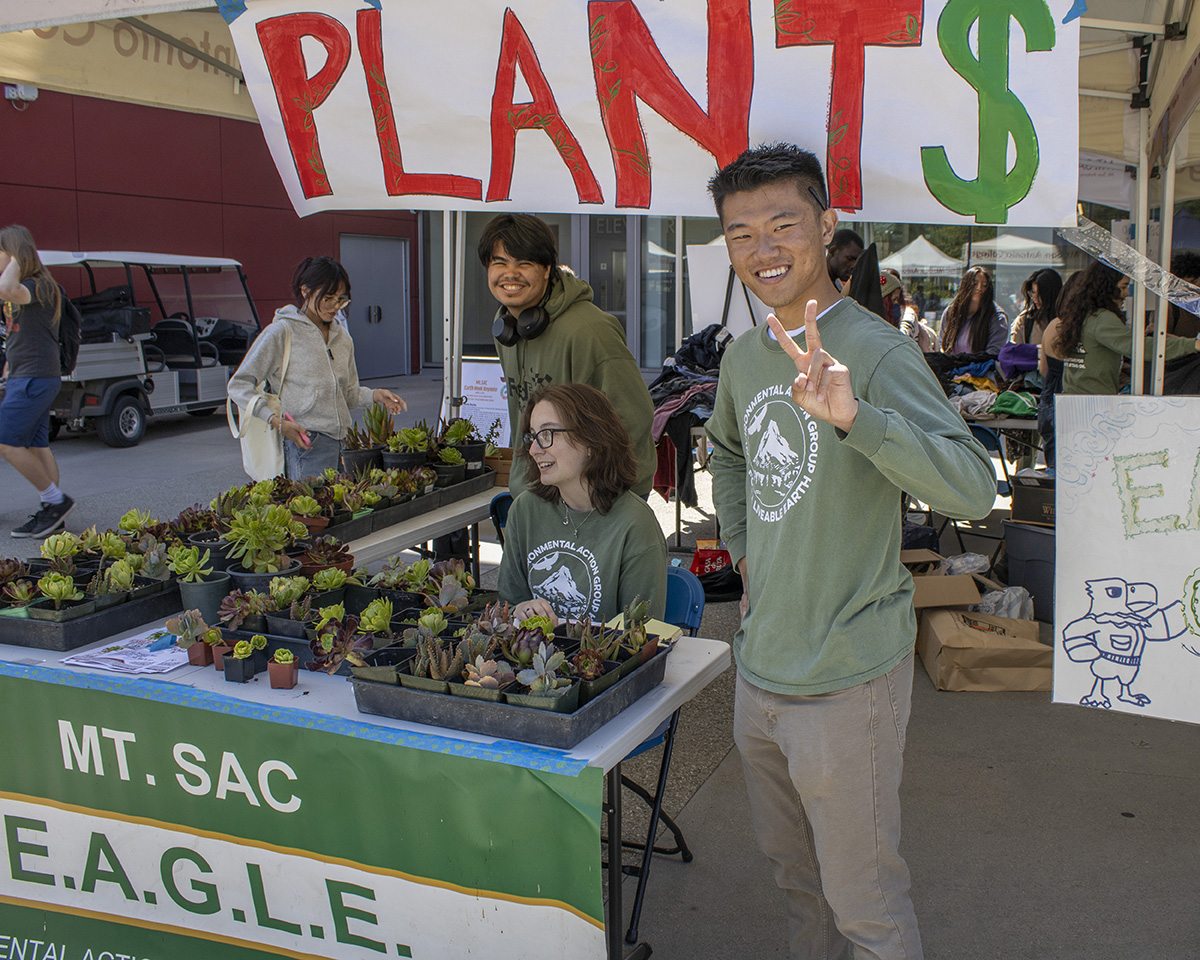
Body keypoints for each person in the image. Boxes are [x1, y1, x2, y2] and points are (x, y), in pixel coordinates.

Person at [705, 143, 995, 960]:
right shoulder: (744, 352)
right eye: (740, 234)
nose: (762, 250)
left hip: (845, 679)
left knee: (863, 901)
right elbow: (727, 451)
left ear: (827, 227)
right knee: (793, 880)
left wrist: (858, 419)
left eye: (782, 224)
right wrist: (743, 545)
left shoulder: (874, 350)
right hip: (761, 665)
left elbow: (973, 488)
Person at [481, 213, 655, 499]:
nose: (510, 274)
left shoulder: (590, 330)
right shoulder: (508, 331)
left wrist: (593, 496)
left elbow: (633, 419)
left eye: (524, 264)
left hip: (590, 500)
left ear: (548, 269)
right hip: (535, 496)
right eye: (499, 263)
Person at [497, 382, 666, 625]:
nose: (534, 449)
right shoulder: (525, 510)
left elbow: (641, 633)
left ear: (591, 440)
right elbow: (508, 604)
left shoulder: (635, 524)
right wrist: (521, 609)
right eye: (532, 437)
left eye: (547, 435)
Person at [227, 257, 406, 479]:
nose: (335, 306)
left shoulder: (343, 338)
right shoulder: (281, 333)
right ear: (305, 291)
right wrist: (276, 421)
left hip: (344, 446)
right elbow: (238, 385)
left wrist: (376, 395)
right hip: (305, 444)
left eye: (341, 300)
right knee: (311, 511)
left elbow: (347, 395)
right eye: (328, 298)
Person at [0, 225, 75, 539]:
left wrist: (18, 256)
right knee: (36, 444)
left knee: (5, 441)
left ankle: (55, 500)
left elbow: (5, 288)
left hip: (35, 378)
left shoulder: (40, 285)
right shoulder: (29, 285)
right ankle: (53, 513)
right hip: (26, 376)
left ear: (15, 253)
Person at [1057, 261, 1200, 396]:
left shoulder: (1083, 315)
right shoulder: (1102, 319)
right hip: (1095, 403)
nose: (1127, 293)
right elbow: (1137, 347)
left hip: (1074, 399)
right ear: (1108, 287)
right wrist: (1191, 344)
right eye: (1123, 287)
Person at [1036, 271, 1081, 470]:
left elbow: (1043, 369)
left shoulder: (1052, 326)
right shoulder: (1080, 330)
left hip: (1048, 400)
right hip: (1070, 403)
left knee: (1053, 469)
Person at [938, 266, 1009, 354]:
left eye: (984, 285)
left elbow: (994, 351)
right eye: (974, 283)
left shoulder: (997, 316)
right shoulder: (951, 312)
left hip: (980, 366)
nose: (979, 288)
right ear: (965, 285)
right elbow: (942, 344)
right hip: (952, 366)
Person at [883, 267, 937, 352]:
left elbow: (904, 334)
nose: (896, 303)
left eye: (897, 298)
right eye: (893, 300)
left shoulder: (907, 314)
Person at [1010, 268, 1063, 346]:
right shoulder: (1025, 320)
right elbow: (1015, 353)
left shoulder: (1067, 320)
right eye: (1033, 293)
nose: (1035, 298)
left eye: (1041, 294)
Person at [1164, 251, 1200, 338]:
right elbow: (1159, 339)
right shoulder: (1169, 309)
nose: (1190, 289)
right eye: (1184, 285)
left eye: (1193, 282)